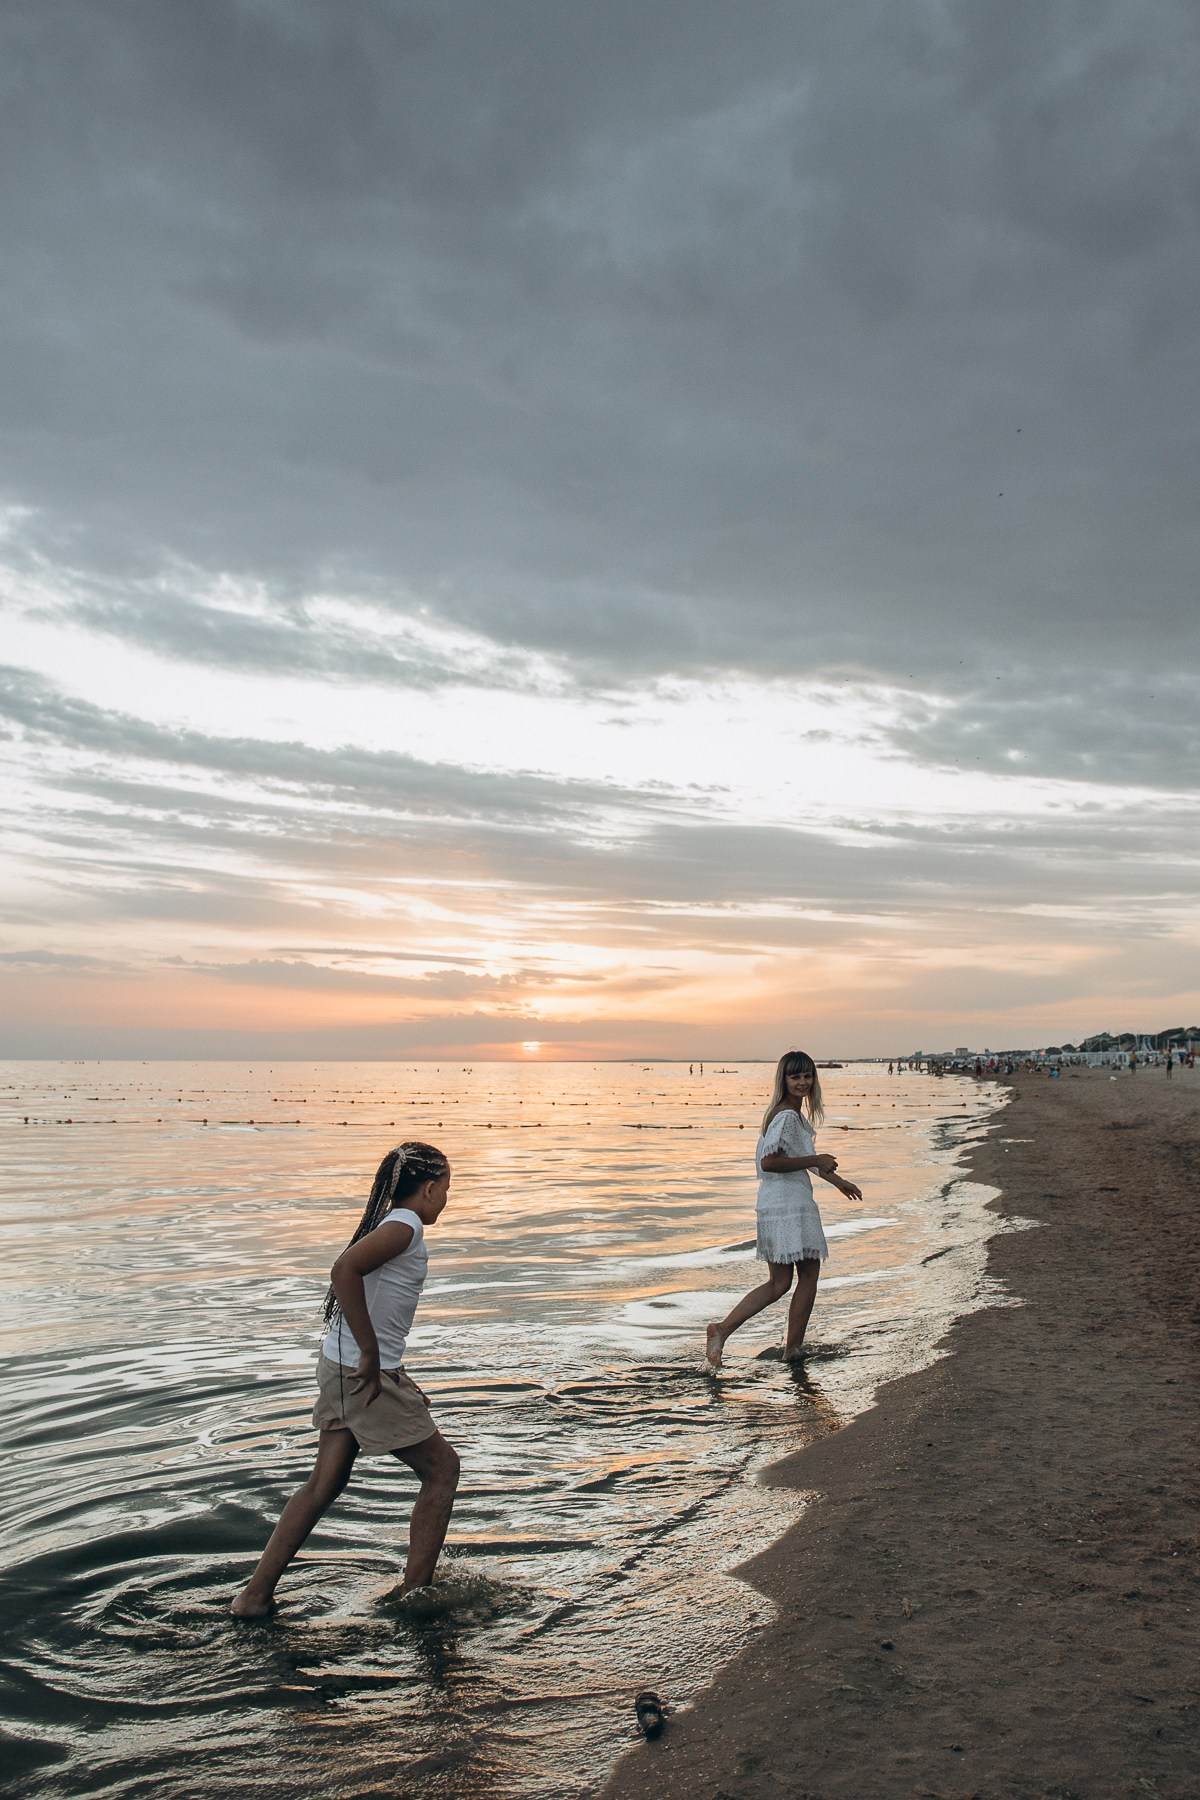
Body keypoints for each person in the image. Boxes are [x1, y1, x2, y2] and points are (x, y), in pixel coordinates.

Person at [231, 1142, 460, 1617]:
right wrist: (374, 1356)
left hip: (341, 1366)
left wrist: (390, 1366)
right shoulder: (406, 1225)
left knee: (324, 1483)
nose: (447, 1201)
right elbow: (344, 1270)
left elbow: (369, 1292)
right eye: (447, 1191)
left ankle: (254, 1597)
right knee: (442, 1470)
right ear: (431, 1188)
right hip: (359, 1370)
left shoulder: (393, 1223)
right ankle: (414, 1598)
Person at [705, 1050, 862, 1367]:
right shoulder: (787, 1116)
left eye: (807, 1076)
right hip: (789, 1204)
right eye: (796, 1076)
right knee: (807, 1276)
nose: (803, 1082)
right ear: (784, 1080)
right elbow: (771, 1162)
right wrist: (817, 1160)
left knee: (779, 1283)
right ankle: (792, 1349)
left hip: (774, 1202)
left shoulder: (785, 1113)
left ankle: (722, 1330)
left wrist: (838, 1181)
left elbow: (797, 1158)